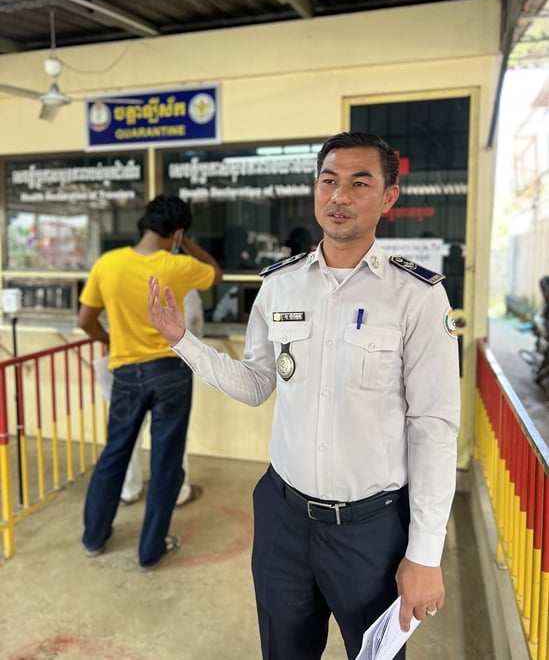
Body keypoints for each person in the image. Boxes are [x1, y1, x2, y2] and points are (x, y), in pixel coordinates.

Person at [148, 132, 460, 657]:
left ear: (388, 197)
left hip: (371, 531)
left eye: (359, 183)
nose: (339, 196)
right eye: (328, 180)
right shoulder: (281, 284)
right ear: (315, 188)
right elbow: (257, 383)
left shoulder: (417, 296)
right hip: (283, 519)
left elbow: (433, 428)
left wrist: (425, 553)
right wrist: (184, 342)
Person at [78, 194, 222, 570]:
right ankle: (150, 550)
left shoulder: (108, 263)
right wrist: (186, 244)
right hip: (170, 373)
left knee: (115, 453)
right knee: (166, 461)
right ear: (177, 233)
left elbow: (85, 320)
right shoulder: (179, 266)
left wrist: (111, 340)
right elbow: (215, 273)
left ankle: (94, 537)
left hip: (125, 372)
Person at [120, 287, 205, 507]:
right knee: (171, 434)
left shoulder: (124, 275)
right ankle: (177, 492)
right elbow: (194, 319)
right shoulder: (181, 276)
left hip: (128, 365)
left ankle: (128, 489)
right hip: (170, 367)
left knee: (130, 432)